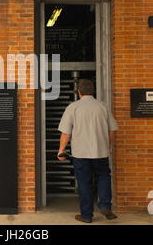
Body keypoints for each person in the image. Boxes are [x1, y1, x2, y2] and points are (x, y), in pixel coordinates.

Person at [57, 79, 118, 223]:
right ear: (93, 91)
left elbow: (66, 133)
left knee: (84, 183)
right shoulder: (103, 106)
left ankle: (86, 216)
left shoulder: (73, 107)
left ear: (79, 92)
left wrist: (61, 150)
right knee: (103, 177)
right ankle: (104, 205)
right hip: (101, 153)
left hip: (81, 154)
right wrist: (107, 147)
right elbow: (112, 131)